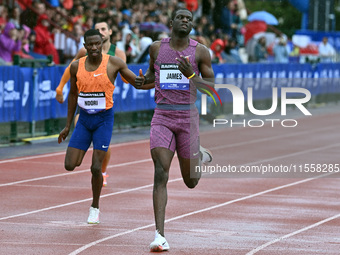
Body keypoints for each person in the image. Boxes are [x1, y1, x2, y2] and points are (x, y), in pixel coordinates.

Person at [135, 8, 214, 252]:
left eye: (189, 19)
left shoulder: (199, 51)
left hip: (187, 116)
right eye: (181, 17)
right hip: (162, 116)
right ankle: (160, 235)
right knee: (161, 172)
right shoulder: (157, 48)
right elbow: (151, 76)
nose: (185, 21)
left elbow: (211, 88)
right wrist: (142, 81)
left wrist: (191, 74)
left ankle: (197, 155)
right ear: (171, 22)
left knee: (191, 181)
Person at [58, 29, 144, 224]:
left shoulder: (114, 63)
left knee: (96, 168)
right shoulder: (76, 66)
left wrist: (144, 80)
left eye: (98, 43)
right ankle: (87, 145)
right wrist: (67, 125)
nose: (94, 47)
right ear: (85, 45)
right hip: (84, 119)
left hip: (104, 119)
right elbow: (72, 95)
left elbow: (136, 82)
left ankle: (95, 207)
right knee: (70, 165)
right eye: (90, 44)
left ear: (102, 43)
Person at [56, 21, 127, 187]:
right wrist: (60, 88)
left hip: (104, 108)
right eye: (98, 29)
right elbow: (70, 69)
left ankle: (102, 170)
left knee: (104, 147)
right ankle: (81, 147)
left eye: (104, 29)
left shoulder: (117, 53)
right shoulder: (84, 51)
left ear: (109, 32)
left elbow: (125, 77)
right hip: (85, 107)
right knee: (73, 153)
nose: (101, 32)